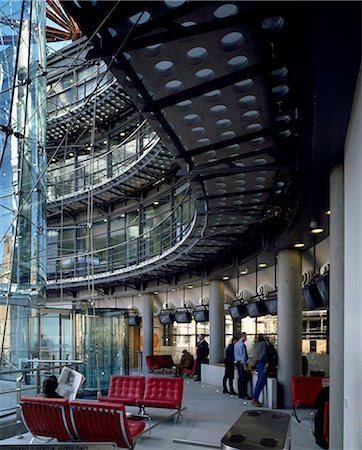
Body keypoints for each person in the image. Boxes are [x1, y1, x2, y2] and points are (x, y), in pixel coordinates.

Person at [251, 334, 269, 407]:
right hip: (262, 363)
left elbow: (255, 355)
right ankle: (255, 398)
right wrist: (267, 362)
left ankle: (255, 397)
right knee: (262, 380)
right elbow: (264, 353)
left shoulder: (256, 345)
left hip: (258, 364)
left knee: (259, 380)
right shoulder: (264, 344)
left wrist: (253, 363)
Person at [234, 332, 251, 399]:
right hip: (241, 363)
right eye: (246, 337)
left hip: (238, 362)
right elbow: (243, 356)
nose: (246, 338)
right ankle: (244, 394)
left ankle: (240, 393)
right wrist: (245, 365)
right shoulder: (242, 345)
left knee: (240, 379)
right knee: (244, 379)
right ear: (243, 336)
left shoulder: (236, 344)